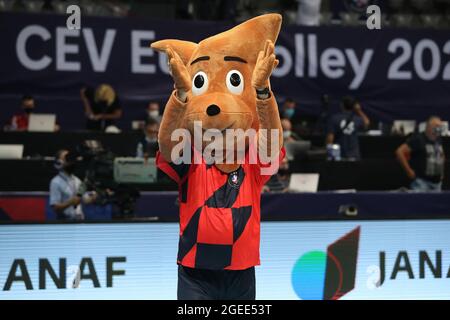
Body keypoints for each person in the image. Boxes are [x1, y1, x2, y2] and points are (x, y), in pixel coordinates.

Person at [396, 116, 445, 192]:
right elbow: (400, 152)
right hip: (422, 182)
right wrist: (409, 171)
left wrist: (441, 172)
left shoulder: (438, 139)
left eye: (440, 126)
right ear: (429, 127)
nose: (439, 129)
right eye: (437, 126)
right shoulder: (419, 139)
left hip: (437, 183)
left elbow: (441, 154)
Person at [326, 96, 370, 160]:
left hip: (338, 154)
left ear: (342, 105)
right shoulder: (357, 119)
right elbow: (367, 123)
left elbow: (330, 138)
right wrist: (359, 110)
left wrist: (329, 154)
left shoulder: (334, 118)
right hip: (354, 154)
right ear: (354, 106)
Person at [49, 149, 84, 221]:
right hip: (65, 222)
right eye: (66, 158)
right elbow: (55, 207)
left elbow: (85, 199)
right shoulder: (55, 182)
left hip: (79, 221)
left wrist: (93, 197)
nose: (70, 161)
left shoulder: (77, 180)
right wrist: (70, 202)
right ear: (59, 162)